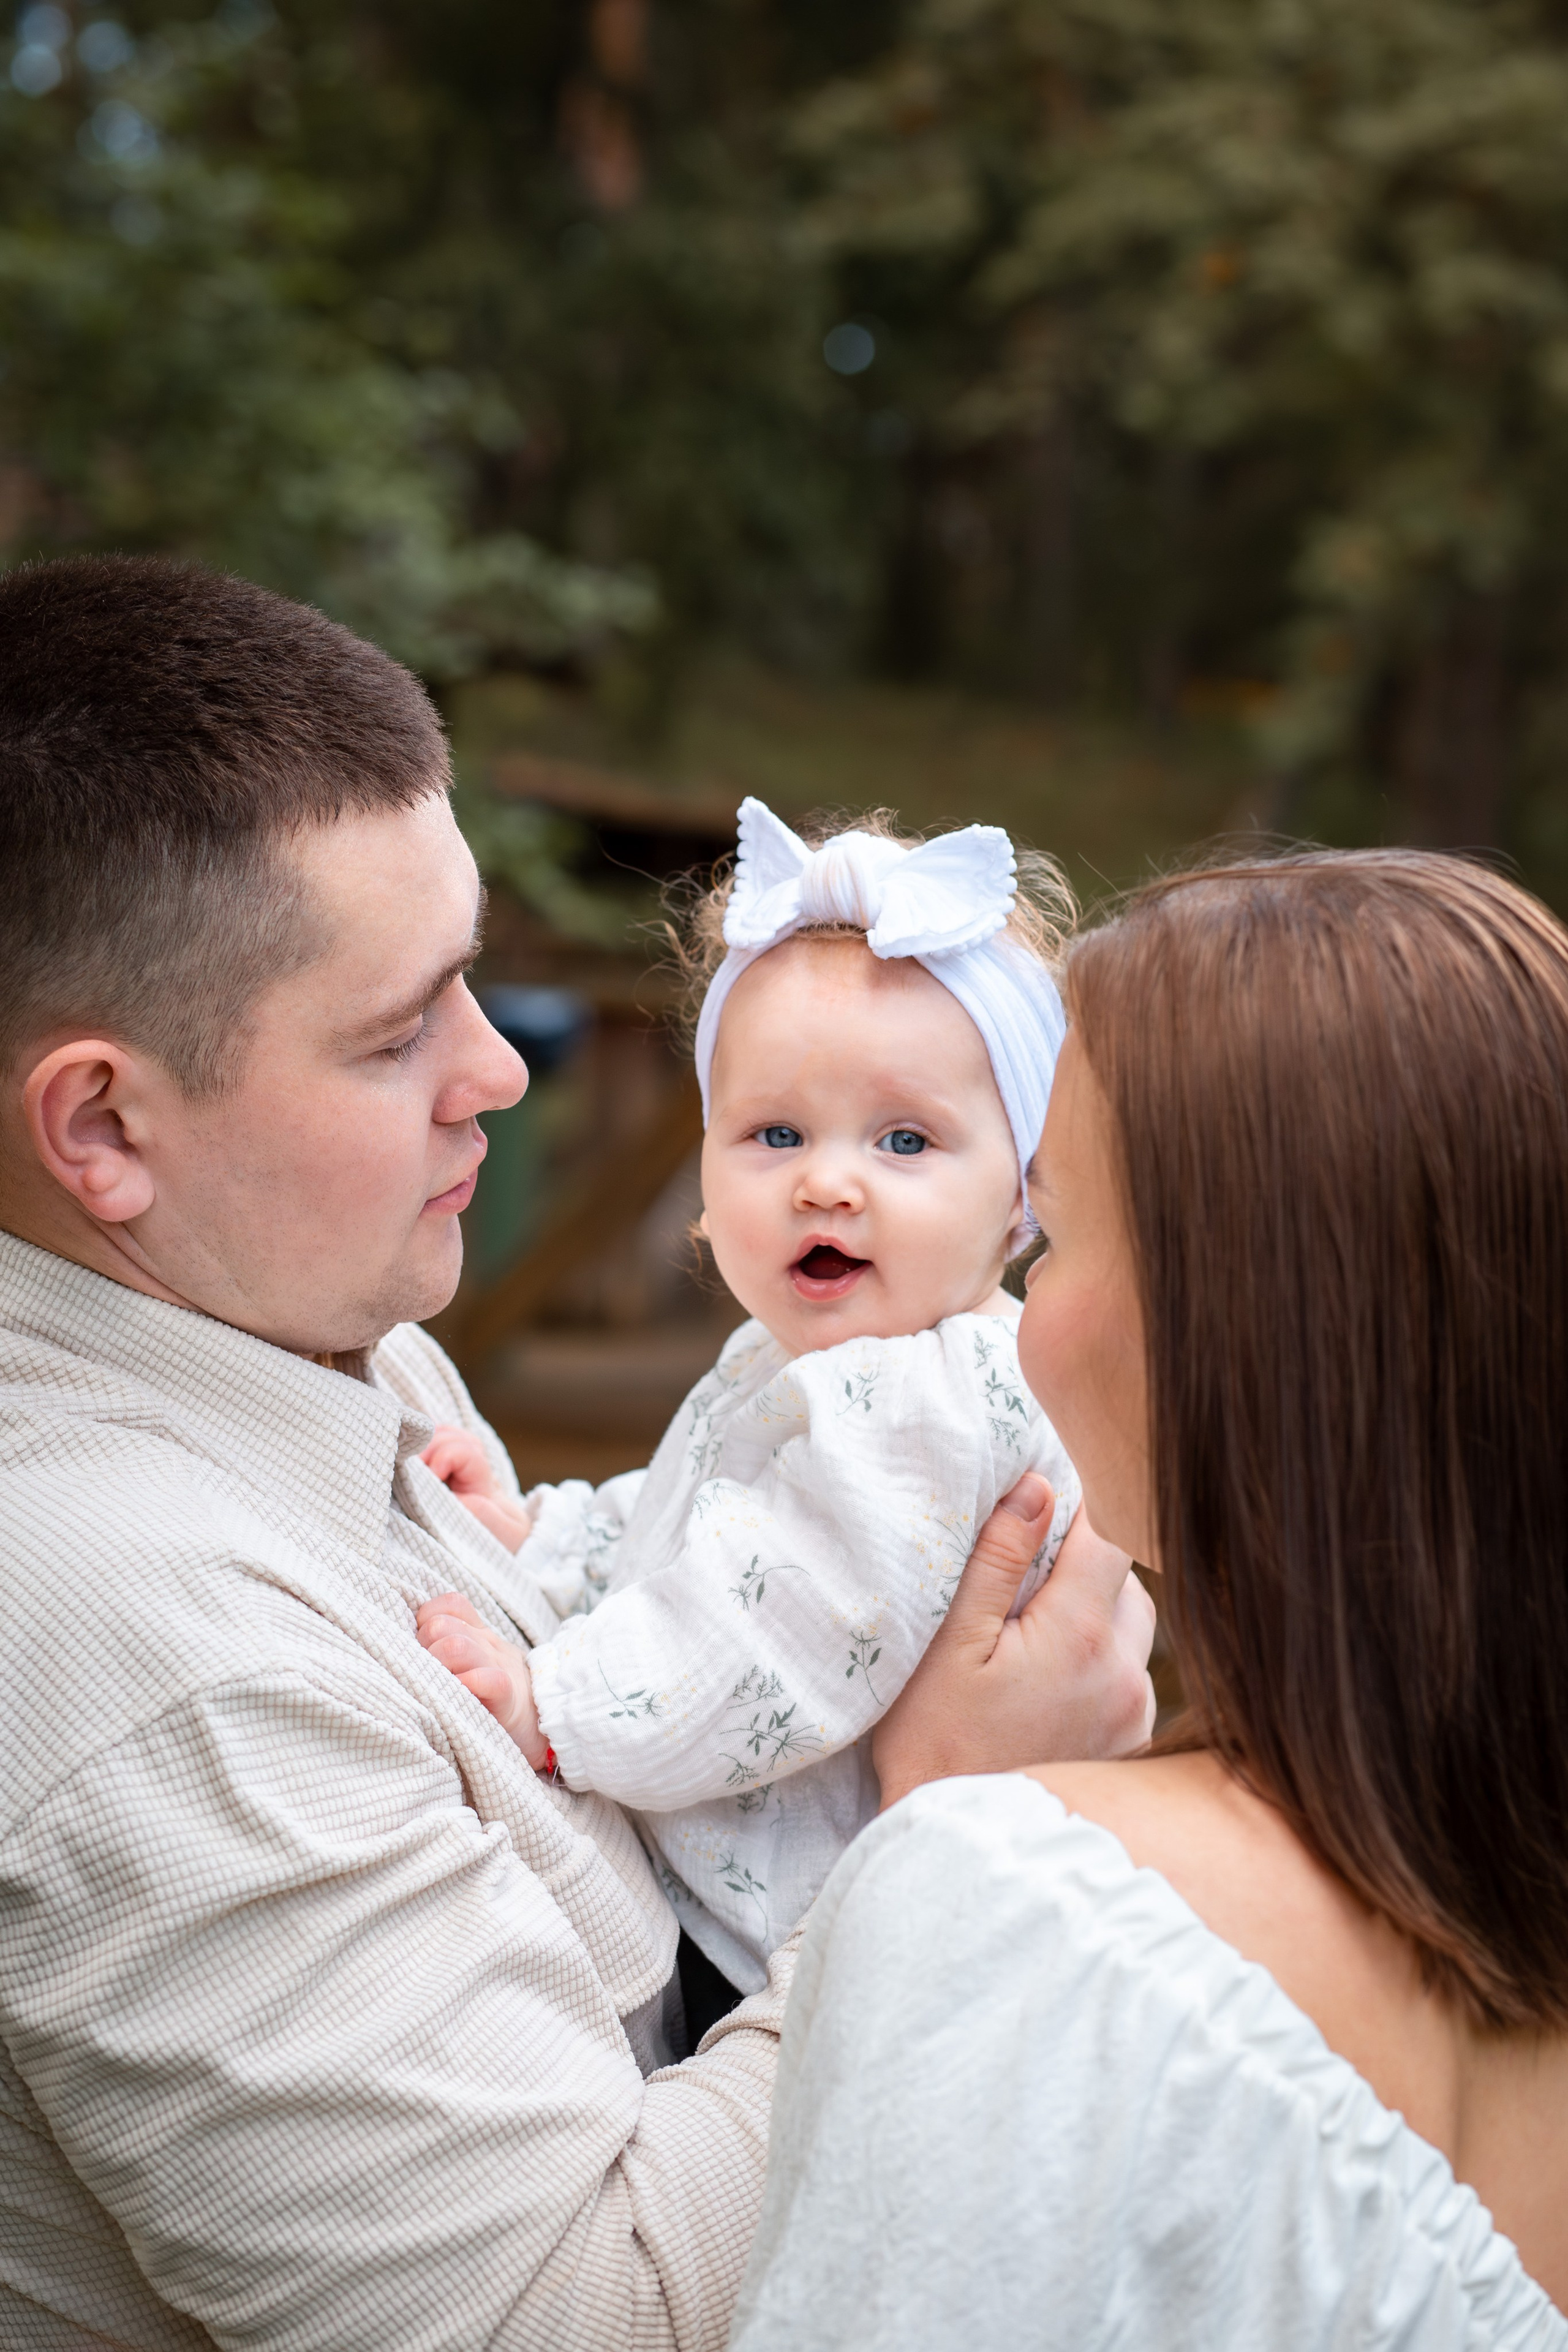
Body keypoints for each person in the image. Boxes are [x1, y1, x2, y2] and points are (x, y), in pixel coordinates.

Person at [0, 553, 1155, 2351]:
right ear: (105, 1126)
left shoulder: (344, 1340)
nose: (502, 1073)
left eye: (473, 984)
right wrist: (959, 1837)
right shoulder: (157, 1660)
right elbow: (562, 2318)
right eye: (399, 1034)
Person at [730, 851, 1568, 2350]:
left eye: (1042, 1236)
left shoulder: (1025, 1912)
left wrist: (924, 1810)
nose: (1016, 1316)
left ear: (1223, 1331)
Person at [413, 795, 1109, 1998]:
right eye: (775, 1134)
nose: (828, 1184)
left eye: (903, 1143)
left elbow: (787, 1623)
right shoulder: (819, 1360)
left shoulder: (928, 1398)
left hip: (782, 1932)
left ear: (1021, 1195)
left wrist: (553, 1703)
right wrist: (554, 1536)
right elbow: (717, 1526)